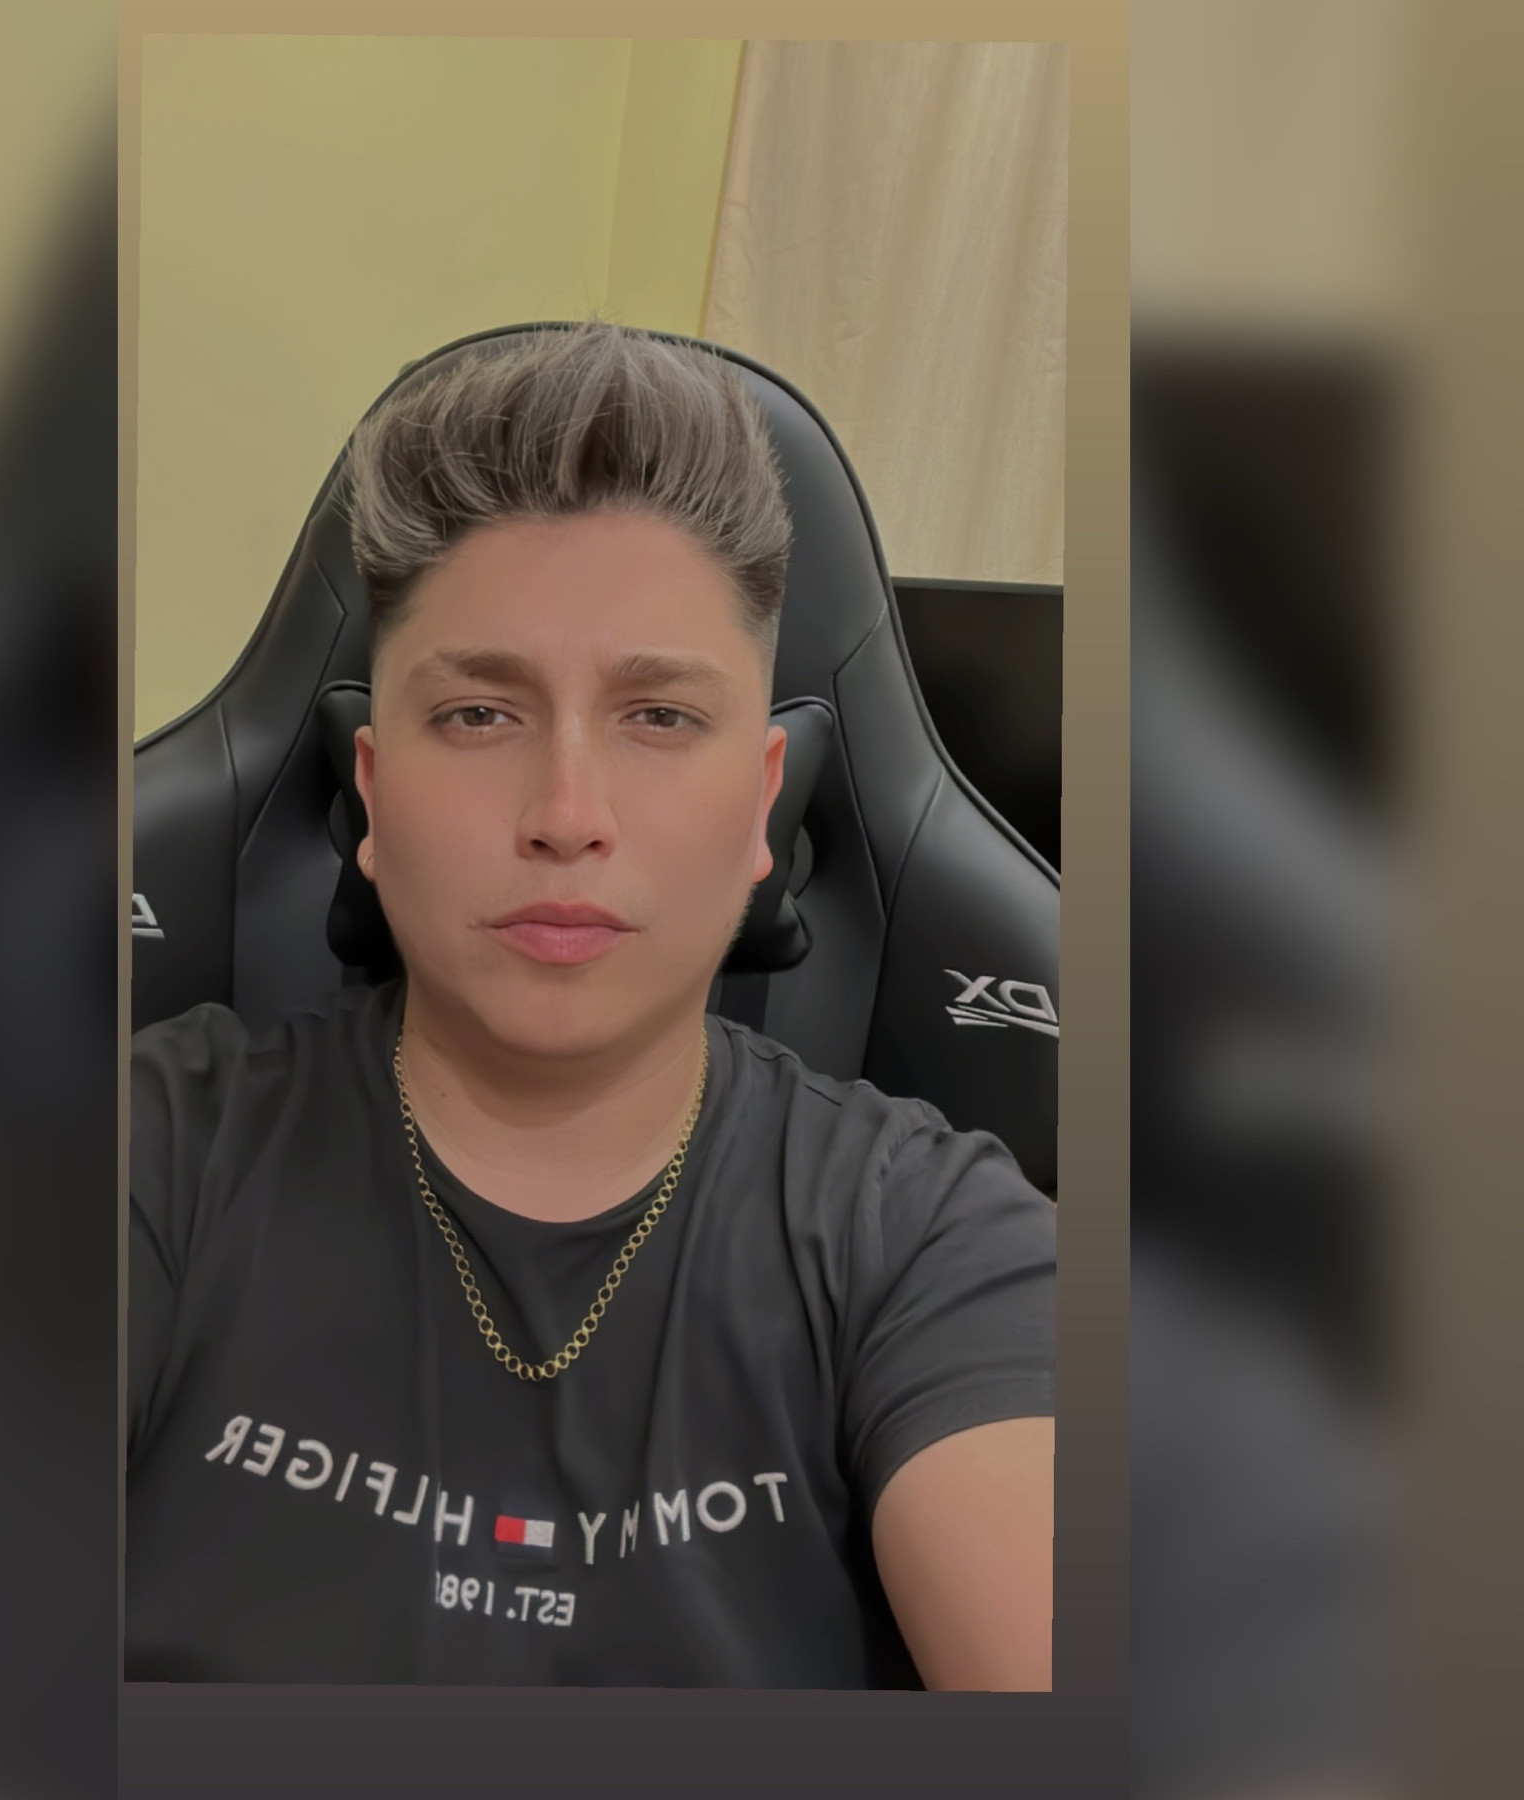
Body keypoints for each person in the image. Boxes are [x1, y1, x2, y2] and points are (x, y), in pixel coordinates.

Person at [126, 322, 1056, 1688]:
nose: (567, 814)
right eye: (479, 715)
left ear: (763, 805)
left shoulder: (933, 1240)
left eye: (660, 717)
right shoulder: (151, 1154)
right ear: (372, 794)